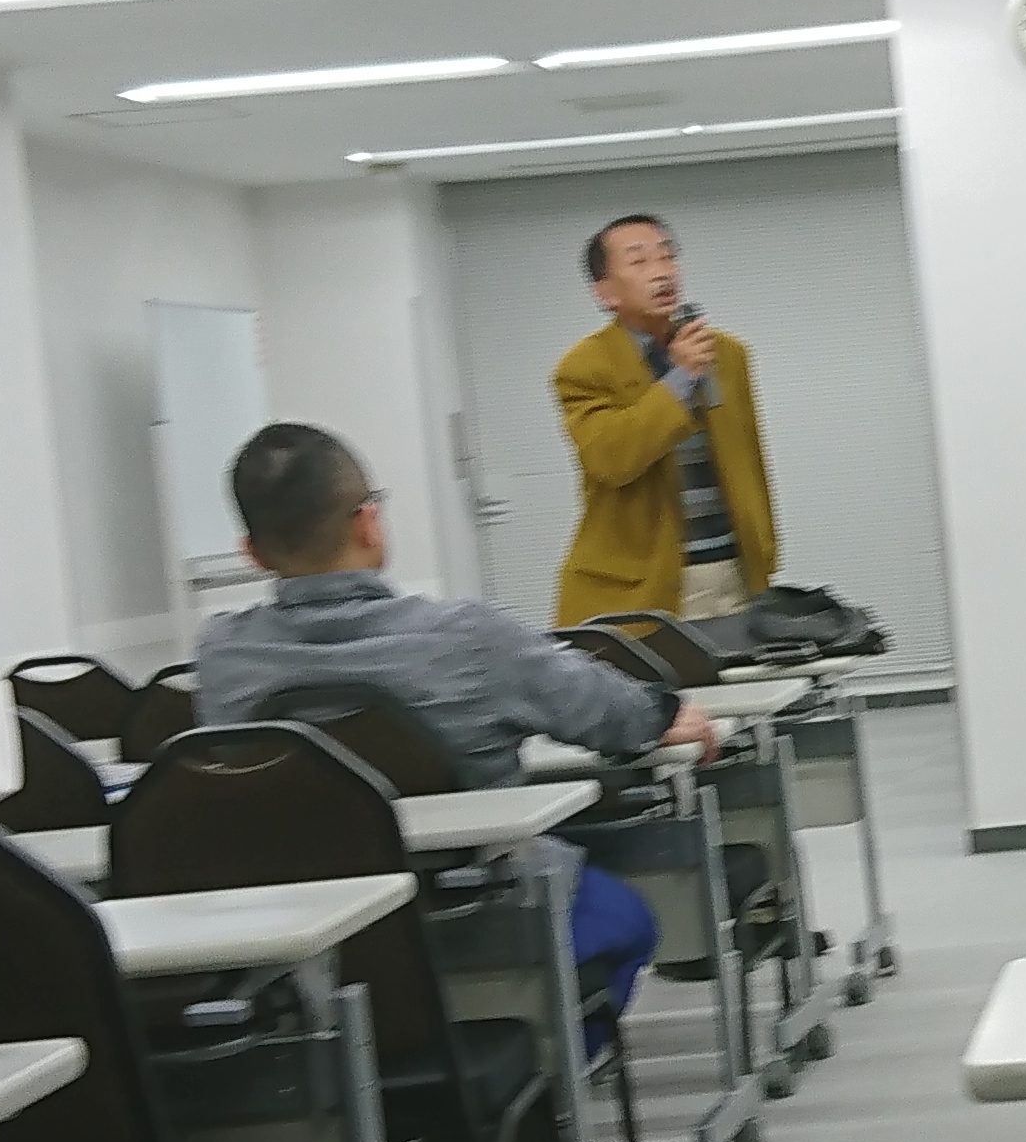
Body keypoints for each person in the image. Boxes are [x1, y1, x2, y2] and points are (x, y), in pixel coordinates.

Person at [182, 417, 711, 1027]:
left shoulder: (222, 656)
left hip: (300, 939)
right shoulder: (464, 636)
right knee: (627, 921)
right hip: (476, 908)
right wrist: (666, 713)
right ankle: (531, 1086)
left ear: (252, 552)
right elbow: (606, 714)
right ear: (368, 522)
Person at [556, 210, 777, 624]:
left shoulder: (726, 354)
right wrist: (681, 378)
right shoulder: (583, 367)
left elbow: (750, 458)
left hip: (733, 570)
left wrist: (763, 548)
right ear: (606, 293)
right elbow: (612, 459)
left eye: (667, 257)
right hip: (638, 586)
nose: (662, 272)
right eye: (639, 262)